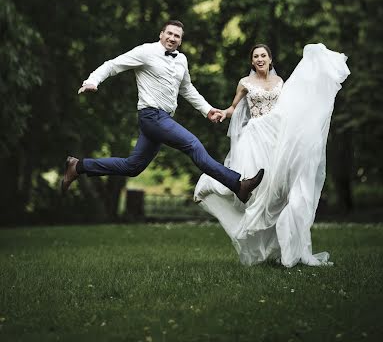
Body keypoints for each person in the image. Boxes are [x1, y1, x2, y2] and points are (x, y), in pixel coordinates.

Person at [61, 20, 264, 203]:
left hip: (162, 119)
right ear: (161, 34)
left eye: (177, 36)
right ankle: (238, 185)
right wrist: (92, 81)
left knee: (133, 167)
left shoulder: (181, 60)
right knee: (194, 145)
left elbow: (187, 89)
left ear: (180, 41)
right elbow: (113, 65)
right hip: (151, 115)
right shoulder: (146, 52)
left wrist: (207, 110)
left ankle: (78, 166)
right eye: (169, 33)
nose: (172, 38)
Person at [194, 42, 350, 268]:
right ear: (252, 61)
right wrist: (221, 113)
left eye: (263, 55)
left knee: (278, 191)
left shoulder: (280, 83)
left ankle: (280, 247)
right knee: (253, 188)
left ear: (270, 59)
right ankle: (209, 184)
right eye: (256, 56)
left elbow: (289, 108)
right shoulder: (245, 83)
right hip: (255, 137)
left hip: (276, 137)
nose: (260, 59)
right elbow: (234, 108)